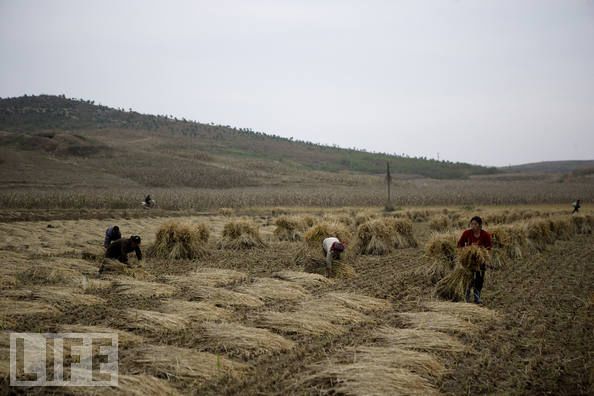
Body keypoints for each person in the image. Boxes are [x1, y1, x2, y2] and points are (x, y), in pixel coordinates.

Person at [457, 216, 492, 304]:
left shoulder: (485, 235)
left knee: (479, 279)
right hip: (468, 260)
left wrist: (484, 257)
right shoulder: (466, 233)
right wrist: (464, 252)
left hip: (480, 260)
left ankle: (477, 296)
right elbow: (460, 244)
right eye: (471, 224)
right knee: (468, 278)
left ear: (480, 225)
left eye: (475, 224)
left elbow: (489, 248)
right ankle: (467, 296)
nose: (473, 226)